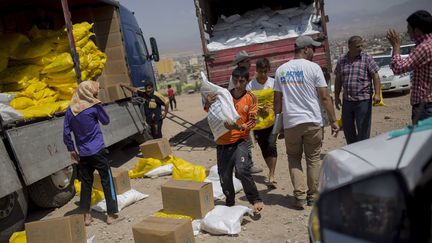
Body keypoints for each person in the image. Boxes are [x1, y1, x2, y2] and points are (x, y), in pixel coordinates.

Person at [274, 36, 339, 209]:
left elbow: (277, 102)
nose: (314, 51)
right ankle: (313, 196)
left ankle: (300, 197)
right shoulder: (314, 68)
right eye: (313, 48)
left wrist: (278, 126)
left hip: (291, 124)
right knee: (313, 158)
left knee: (294, 158)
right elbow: (324, 97)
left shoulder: (281, 70)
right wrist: (333, 121)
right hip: (312, 121)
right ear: (305, 49)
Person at [204, 66, 264, 214]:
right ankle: (230, 201)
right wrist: (208, 102)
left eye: (241, 81)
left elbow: (252, 121)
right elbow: (209, 111)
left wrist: (237, 127)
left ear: (247, 81)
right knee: (224, 175)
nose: (238, 85)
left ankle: (255, 199)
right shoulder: (224, 96)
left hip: (240, 142)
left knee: (242, 171)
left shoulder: (251, 98)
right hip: (222, 143)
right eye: (235, 81)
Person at [63, 81, 118, 225]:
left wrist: (72, 149)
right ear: (88, 92)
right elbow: (106, 121)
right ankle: (111, 214)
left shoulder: (71, 110)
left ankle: (86, 215)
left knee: (86, 184)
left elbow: (66, 133)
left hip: (83, 154)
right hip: (98, 151)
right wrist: (98, 104)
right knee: (107, 181)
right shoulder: (93, 107)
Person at [387, 10, 432, 124]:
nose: (407, 31)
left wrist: (396, 46)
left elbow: (398, 68)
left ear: (417, 31)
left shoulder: (424, 47)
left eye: (409, 28)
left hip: (425, 106)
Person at [334, 35, 381, 144]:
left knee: (363, 129)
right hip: (347, 101)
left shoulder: (366, 58)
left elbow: (375, 76)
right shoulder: (342, 60)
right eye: (357, 46)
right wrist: (336, 97)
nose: (360, 48)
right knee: (347, 128)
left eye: (361, 46)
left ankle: (363, 151)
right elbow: (338, 80)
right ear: (349, 47)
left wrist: (377, 94)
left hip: (363, 100)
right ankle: (353, 151)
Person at [228, 50, 263, 174]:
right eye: (247, 61)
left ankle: (245, 165)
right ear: (241, 63)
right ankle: (247, 165)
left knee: (247, 141)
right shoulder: (236, 78)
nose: (250, 63)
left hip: (246, 115)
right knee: (245, 142)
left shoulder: (245, 75)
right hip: (239, 117)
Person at [246, 57, 278, 189]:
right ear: (257, 71)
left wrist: (271, 109)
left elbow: (278, 101)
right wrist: (258, 110)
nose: (263, 74)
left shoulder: (273, 83)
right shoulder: (251, 86)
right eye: (261, 71)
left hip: (272, 121)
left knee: (271, 145)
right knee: (263, 147)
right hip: (258, 124)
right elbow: (247, 104)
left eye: (265, 71)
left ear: (268, 70)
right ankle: (270, 170)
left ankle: (272, 174)